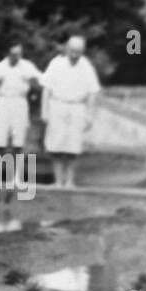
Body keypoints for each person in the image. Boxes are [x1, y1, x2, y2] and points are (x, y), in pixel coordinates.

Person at [40, 35, 101, 189]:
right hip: (57, 105)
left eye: (78, 52)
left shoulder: (87, 66)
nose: (75, 55)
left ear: (83, 51)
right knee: (56, 145)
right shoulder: (56, 63)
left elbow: (93, 92)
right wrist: (44, 110)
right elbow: (46, 88)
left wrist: (90, 115)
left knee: (73, 147)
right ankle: (58, 181)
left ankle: (70, 181)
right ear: (67, 49)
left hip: (77, 108)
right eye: (72, 51)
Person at [0, 44, 42, 185]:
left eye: (18, 54)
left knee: (18, 142)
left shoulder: (27, 67)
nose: (16, 57)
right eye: (13, 54)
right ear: (8, 53)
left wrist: (31, 81)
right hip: (2, 102)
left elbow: (40, 85)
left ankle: (17, 177)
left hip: (19, 102)